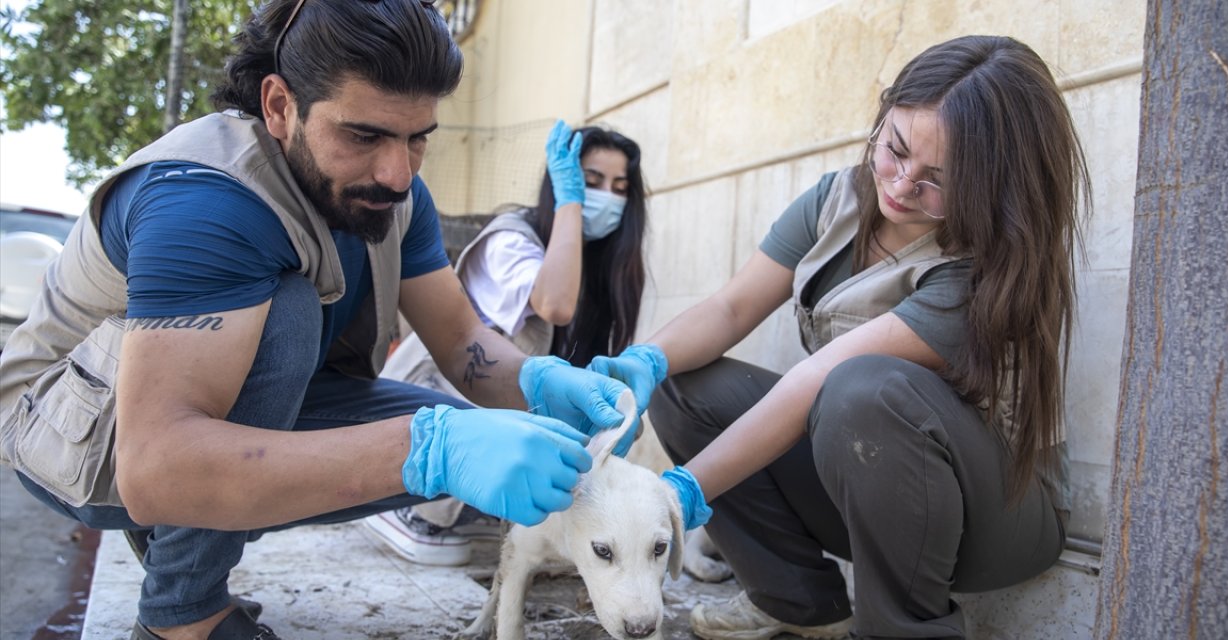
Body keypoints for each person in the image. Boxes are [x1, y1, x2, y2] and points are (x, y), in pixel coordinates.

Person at [0, 2, 637, 639]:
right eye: (363, 135)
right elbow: (156, 467)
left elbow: (464, 340)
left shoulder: (398, 196)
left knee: (472, 432)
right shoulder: (206, 200)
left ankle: (181, 537)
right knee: (295, 317)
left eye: (417, 137)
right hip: (73, 431)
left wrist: (545, 389)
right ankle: (182, 616)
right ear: (279, 106)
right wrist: (428, 452)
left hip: (189, 421)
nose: (397, 172)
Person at [588, 35, 1091, 639]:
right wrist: (636, 366)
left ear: (992, 184)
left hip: (999, 518)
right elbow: (729, 307)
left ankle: (901, 631)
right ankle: (799, 605)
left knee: (862, 391)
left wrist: (678, 494)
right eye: (896, 150)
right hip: (873, 492)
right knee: (683, 384)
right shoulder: (837, 202)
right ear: (882, 119)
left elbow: (818, 383)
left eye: (938, 179)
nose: (902, 186)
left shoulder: (983, 268)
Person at [366, 121, 650, 565]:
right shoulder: (509, 237)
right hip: (433, 398)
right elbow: (553, 305)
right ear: (560, 183)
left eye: (619, 187)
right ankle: (409, 502)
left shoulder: (604, 269)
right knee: (524, 345)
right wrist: (570, 202)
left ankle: (476, 508)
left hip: (494, 413)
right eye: (589, 181)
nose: (606, 197)